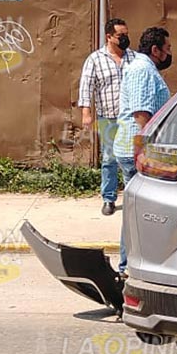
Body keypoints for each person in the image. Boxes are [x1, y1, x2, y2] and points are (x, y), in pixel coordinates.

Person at [113, 26, 173, 277]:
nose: (170, 53)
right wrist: (147, 155)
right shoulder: (143, 69)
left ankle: (130, 266)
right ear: (155, 49)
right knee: (139, 213)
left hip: (137, 148)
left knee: (138, 211)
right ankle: (128, 269)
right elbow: (141, 114)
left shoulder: (143, 68)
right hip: (137, 150)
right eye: (167, 49)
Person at [78, 18, 135, 216]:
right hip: (108, 117)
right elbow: (87, 86)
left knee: (131, 159)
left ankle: (132, 198)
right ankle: (109, 198)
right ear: (109, 36)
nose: (125, 39)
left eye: (127, 34)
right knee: (109, 158)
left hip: (130, 118)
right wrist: (86, 112)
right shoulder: (95, 59)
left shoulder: (134, 58)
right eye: (121, 36)